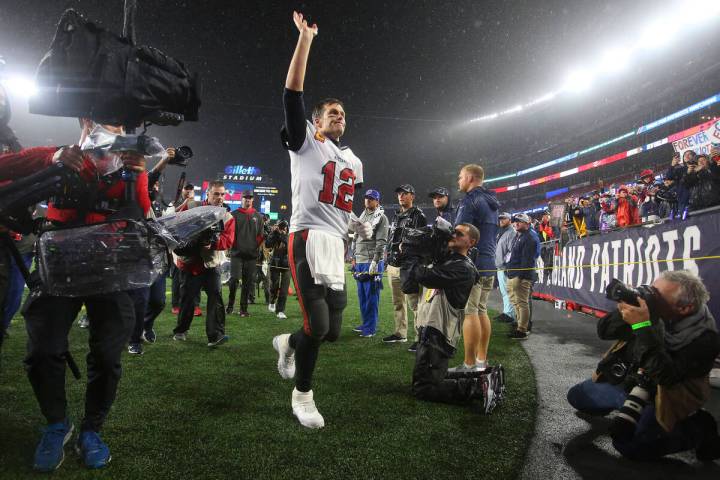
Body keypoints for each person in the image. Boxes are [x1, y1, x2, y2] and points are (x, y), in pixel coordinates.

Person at [20, 118, 149, 472]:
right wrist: (53, 160)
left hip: (110, 265)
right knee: (43, 349)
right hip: (59, 262)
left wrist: (136, 175)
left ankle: (92, 429)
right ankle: (56, 424)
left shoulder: (131, 164)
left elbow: (140, 217)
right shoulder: (62, 154)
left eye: (122, 123)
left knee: (108, 355)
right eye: (108, 120)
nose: (116, 130)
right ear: (86, 121)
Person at [272, 11, 368, 429]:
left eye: (342, 113)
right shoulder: (307, 142)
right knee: (318, 323)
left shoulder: (354, 160)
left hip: (336, 241)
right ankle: (303, 395)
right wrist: (306, 40)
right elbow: (292, 94)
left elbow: (349, 201)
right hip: (306, 237)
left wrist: (356, 223)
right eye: (331, 112)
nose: (338, 116)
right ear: (316, 122)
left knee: (329, 331)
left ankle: (286, 343)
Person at [567, 271, 720, 461]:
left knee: (629, 445)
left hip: (663, 397)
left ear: (684, 308)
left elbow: (665, 376)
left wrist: (642, 327)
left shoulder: (705, 339)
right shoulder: (651, 311)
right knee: (576, 398)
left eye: (658, 296)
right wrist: (627, 308)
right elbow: (604, 331)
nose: (649, 297)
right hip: (628, 384)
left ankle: (698, 427)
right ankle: (625, 409)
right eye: (651, 290)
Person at [411, 223, 487, 404]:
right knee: (427, 379)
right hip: (433, 329)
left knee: (424, 388)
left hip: (440, 333)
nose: (453, 235)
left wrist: (414, 258)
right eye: (453, 232)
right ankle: (477, 381)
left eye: (459, 234)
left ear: (471, 242)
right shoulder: (451, 260)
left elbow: (425, 276)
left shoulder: (463, 267)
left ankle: (479, 387)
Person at [172, 180, 235, 346]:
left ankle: (215, 336)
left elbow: (228, 241)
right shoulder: (192, 206)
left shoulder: (227, 216)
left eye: (222, 194)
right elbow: (175, 226)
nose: (220, 197)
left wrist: (213, 243)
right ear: (208, 193)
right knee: (187, 300)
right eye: (216, 193)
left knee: (216, 297)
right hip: (190, 263)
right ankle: (181, 330)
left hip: (211, 263)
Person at [449, 164, 499, 373]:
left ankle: (469, 364)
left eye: (460, 177)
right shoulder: (491, 201)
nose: (458, 181)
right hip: (488, 262)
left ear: (470, 177)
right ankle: (481, 361)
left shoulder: (470, 201)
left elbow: (459, 235)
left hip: (473, 265)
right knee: (481, 310)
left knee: (470, 312)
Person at [383, 184, 427, 349]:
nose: (401, 196)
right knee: (397, 302)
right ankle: (400, 333)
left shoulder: (418, 215)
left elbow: (421, 239)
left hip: (408, 266)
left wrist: (407, 246)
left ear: (412, 196)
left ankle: (419, 338)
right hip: (393, 265)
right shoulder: (396, 215)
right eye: (399, 193)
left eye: (405, 193)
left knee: (415, 304)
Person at [351, 189, 389, 338]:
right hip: (360, 260)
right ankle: (365, 323)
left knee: (371, 295)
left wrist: (376, 260)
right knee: (362, 295)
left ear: (377, 201)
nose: (368, 200)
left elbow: (381, 241)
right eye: (367, 198)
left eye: (371, 198)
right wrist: (353, 257)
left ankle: (371, 328)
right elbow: (356, 238)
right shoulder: (362, 215)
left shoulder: (381, 217)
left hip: (371, 261)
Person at [227, 190, 264, 317]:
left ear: (252, 200)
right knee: (234, 280)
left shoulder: (258, 216)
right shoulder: (233, 215)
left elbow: (260, 236)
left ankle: (243, 309)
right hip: (237, 254)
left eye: (250, 198)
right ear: (241, 199)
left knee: (248, 282)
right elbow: (229, 234)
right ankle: (230, 305)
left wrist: (255, 248)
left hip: (251, 256)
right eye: (245, 198)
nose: (247, 200)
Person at [504, 213, 540, 340]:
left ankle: (522, 330)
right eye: (515, 221)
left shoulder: (530, 237)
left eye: (519, 221)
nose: (516, 223)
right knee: (515, 302)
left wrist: (520, 277)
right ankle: (519, 324)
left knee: (521, 302)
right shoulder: (520, 235)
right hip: (513, 273)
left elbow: (527, 261)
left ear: (527, 223)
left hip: (521, 276)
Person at [171, 183, 201, 316]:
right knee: (178, 276)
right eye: (186, 189)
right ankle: (175, 304)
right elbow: (170, 216)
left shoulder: (196, 204)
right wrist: (184, 203)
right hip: (178, 244)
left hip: (193, 243)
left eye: (191, 189)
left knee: (196, 274)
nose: (189, 191)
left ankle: (195, 305)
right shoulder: (175, 202)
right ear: (182, 190)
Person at [266, 220, 291, 319]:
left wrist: (283, 235)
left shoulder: (290, 235)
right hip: (275, 264)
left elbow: (289, 246)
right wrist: (274, 233)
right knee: (274, 286)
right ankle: (272, 301)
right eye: (281, 227)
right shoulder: (275, 234)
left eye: (284, 227)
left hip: (287, 265)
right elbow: (268, 244)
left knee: (284, 289)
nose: (282, 229)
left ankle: (280, 310)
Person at [494, 212, 516, 324]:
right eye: (500, 219)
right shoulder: (502, 232)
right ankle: (506, 312)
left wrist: (508, 265)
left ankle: (510, 315)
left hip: (505, 267)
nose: (501, 220)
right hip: (500, 266)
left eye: (504, 219)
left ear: (510, 220)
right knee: (504, 292)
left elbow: (512, 251)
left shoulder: (511, 232)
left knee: (508, 291)